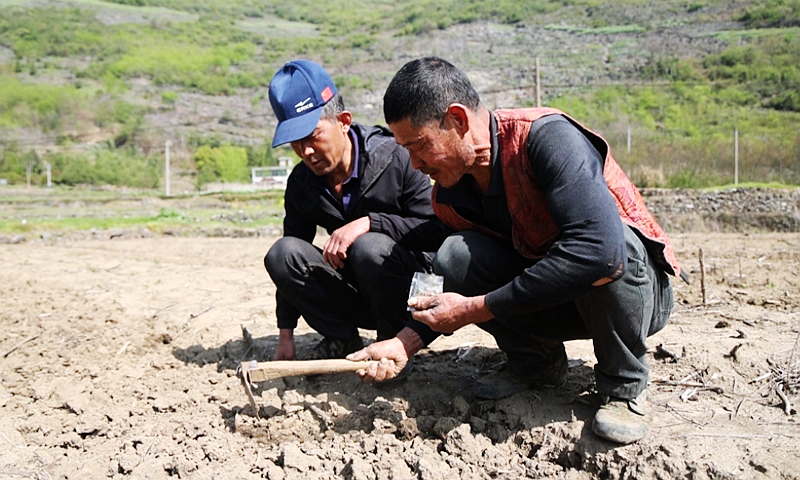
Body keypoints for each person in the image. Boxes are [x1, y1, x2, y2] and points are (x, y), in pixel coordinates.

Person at [348, 57, 688, 444]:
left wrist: (476, 308)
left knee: (609, 245)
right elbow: (438, 271)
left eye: (419, 146)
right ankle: (536, 363)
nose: (415, 164)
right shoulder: (450, 192)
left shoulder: (545, 138)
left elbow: (600, 253)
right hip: (555, 298)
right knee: (455, 253)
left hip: (633, 295)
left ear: (458, 120)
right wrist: (405, 341)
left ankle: (623, 384)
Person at [263, 59, 449, 362]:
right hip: (358, 295)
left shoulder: (395, 157)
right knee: (282, 253)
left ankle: (392, 347)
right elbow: (289, 256)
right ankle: (342, 338)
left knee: (368, 245)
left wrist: (370, 223)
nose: (305, 152)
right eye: (295, 143)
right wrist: (286, 334)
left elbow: (438, 232)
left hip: (413, 293)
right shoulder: (301, 182)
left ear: (344, 121)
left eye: (313, 136)